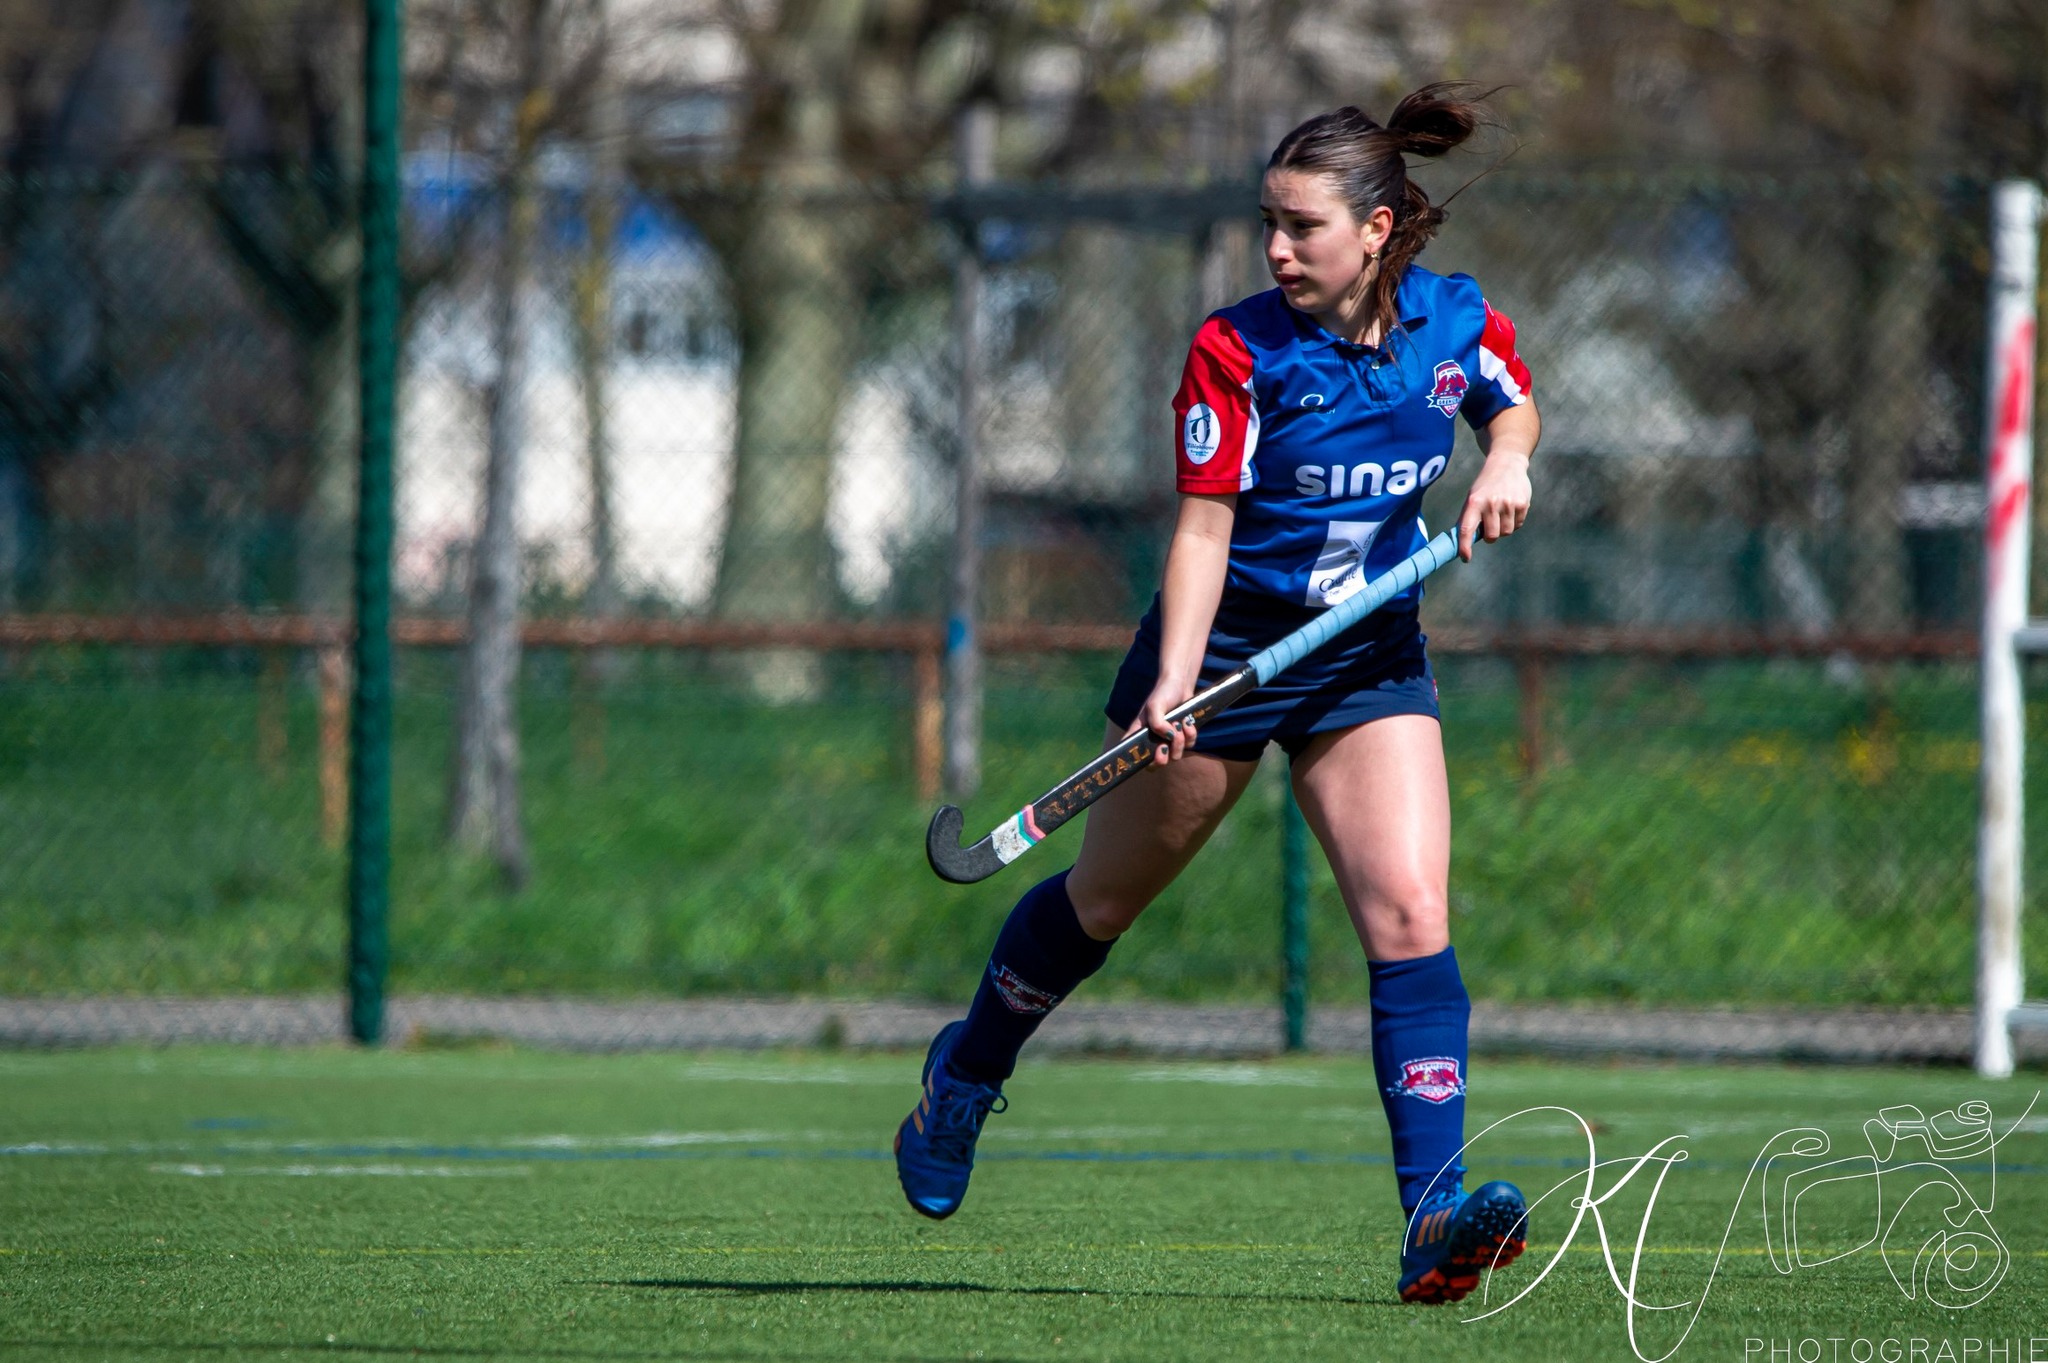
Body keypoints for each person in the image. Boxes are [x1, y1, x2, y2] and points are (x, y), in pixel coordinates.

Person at [894, 83, 1541, 1307]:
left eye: (1301, 226)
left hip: (1364, 657)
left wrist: (1504, 458)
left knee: (1409, 910)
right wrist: (1177, 684)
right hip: (1225, 659)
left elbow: (1513, 401)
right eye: (1267, 224)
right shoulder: (1235, 348)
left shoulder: (1455, 321)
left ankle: (1431, 1218)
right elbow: (1201, 529)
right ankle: (962, 1077)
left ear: (1378, 229)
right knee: (1098, 903)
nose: (1276, 249)